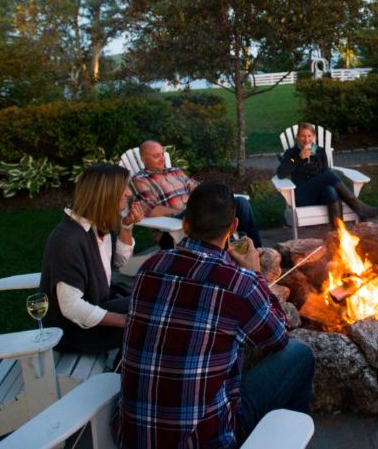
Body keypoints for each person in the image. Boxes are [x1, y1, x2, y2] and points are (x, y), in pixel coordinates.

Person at [117, 182, 314, 448]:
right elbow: (278, 337)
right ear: (233, 227)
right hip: (205, 440)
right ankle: (283, 435)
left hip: (135, 437)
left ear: (185, 225)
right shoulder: (239, 283)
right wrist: (257, 275)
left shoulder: (151, 267)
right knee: (299, 354)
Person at [39, 163, 144, 353]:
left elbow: (121, 263)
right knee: (151, 324)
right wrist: (125, 321)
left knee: (153, 305)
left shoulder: (96, 226)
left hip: (97, 307)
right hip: (70, 332)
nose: (129, 193)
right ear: (106, 193)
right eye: (124, 188)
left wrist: (127, 226)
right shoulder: (68, 240)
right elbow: (71, 307)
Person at [130, 139, 262, 247]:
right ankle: (232, 249)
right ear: (143, 159)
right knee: (218, 215)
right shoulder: (141, 180)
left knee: (241, 203)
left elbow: (200, 189)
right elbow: (151, 209)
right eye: (156, 156)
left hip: (197, 212)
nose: (162, 159)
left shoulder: (176, 171)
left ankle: (255, 251)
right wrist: (181, 211)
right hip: (174, 225)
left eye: (162, 154)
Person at [276, 122, 378, 225]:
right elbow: (281, 173)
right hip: (303, 196)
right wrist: (298, 158)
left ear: (314, 137)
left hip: (320, 195)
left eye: (309, 136)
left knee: (331, 191)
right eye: (303, 136)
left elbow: (325, 173)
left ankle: (338, 234)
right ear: (298, 137)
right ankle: (360, 209)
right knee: (330, 174)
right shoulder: (291, 153)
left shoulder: (320, 151)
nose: (306, 139)